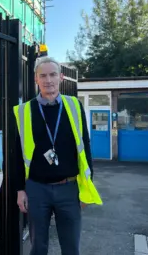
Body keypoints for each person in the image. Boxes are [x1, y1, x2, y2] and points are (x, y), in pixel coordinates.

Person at [13, 55, 102, 255]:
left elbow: (85, 147)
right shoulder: (25, 111)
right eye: (42, 76)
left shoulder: (74, 106)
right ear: (36, 79)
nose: (48, 80)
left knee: (71, 247)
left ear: (61, 77)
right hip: (37, 189)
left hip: (69, 188)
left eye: (53, 74)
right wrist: (20, 190)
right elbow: (18, 154)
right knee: (38, 247)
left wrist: (86, 187)